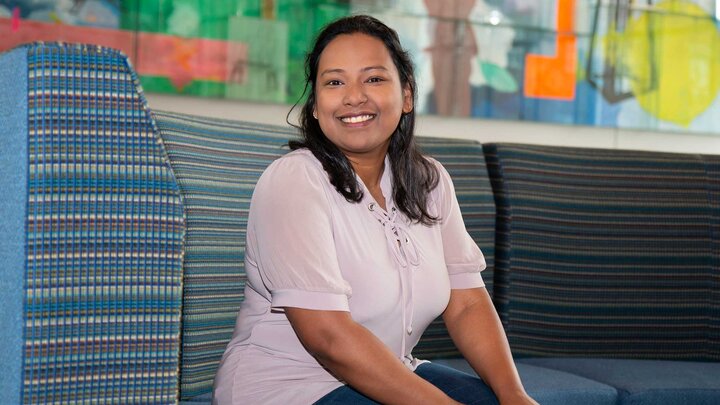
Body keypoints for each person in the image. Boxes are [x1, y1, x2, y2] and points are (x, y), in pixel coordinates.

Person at [212, 15, 538, 405]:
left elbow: (466, 303)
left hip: (392, 369)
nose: (354, 96)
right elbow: (328, 337)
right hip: (287, 387)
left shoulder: (430, 180)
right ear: (315, 105)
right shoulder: (294, 181)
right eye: (334, 82)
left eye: (374, 78)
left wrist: (515, 395)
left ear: (407, 95)